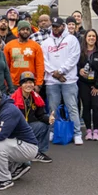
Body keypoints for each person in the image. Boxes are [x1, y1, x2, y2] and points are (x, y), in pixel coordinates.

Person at [0, 86, 40, 191]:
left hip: (28, 147)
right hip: (15, 145)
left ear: (0, 97)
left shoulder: (9, 110)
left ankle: (5, 180)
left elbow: (0, 134)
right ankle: (17, 166)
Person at [41, 17, 84, 145]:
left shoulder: (72, 39)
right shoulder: (46, 42)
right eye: (53, 26)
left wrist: (61, 71)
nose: (55, 28)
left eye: (58, 26)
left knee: (72, 107)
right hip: (51, 80)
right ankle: (53, 131)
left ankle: (77, 133)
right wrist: (54, 73)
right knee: (52, 108)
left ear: (63, 26)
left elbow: (74, 57)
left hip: (69, 79)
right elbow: (44, 60)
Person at [12, 72, 54, 162]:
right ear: (21, 85)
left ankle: (38, 152)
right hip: (16, 130)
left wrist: (48, 119)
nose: (28, 85)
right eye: (25, 82)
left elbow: (41, 115)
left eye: (31, 82)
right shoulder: (13, 99)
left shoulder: (35, 97)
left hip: (28, 127)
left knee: (45, 125)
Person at [77, 29, 98, 141]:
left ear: (96, 38)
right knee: (86, 107)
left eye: (93, 36)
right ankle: (88, 130)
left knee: (95, 107)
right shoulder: (80, 52)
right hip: (83, 83)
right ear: (85, 38)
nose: (91, 38)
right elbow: (75, 66)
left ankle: (96, 130)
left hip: (96, 84)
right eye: (89, 36)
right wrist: (79, 70)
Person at [4, 21, 44, 91]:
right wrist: (6, 83)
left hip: (30, 82)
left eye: (27, 29)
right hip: (13, 83)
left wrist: (38, 84)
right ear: (18, 31)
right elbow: (5, 66)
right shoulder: (9, 45)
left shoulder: (36, 46)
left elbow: (40, 65)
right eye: (23, 29)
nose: (25, 31)